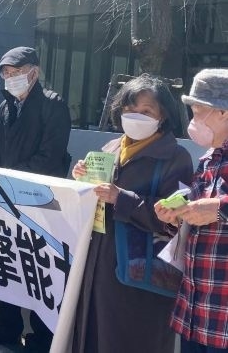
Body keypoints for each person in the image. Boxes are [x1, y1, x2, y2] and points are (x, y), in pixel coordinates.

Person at [71, 75, 194, 353]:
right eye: (129, 109)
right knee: (93, 336)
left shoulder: (176, 157)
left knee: (132, 340)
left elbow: (176, 218)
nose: (136, 116)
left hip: (141, 274)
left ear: (163, 115)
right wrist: (82, 179)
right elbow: (93, 200)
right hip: (99, 264)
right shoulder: (110, 149)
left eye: (146, 111)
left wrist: (121, 198)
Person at [0, 46, 71, 351]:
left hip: (40, 201)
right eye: (7, 73)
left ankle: (41, 339)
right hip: (6, 199)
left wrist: (12, 180)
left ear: (34, 71)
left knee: (39, 269)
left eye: (17, 71)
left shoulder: (53, 105)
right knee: (6, 262)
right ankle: (7, 328)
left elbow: (51, 156)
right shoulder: (5, 107)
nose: (11, 77)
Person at [155, 69, 228, 353]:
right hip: (196, 309)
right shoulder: (208, 159)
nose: (193, 121)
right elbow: (196, 214)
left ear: (222, 112)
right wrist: (176, 216)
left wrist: (219, 208)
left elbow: (215, 210)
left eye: (198, 112)